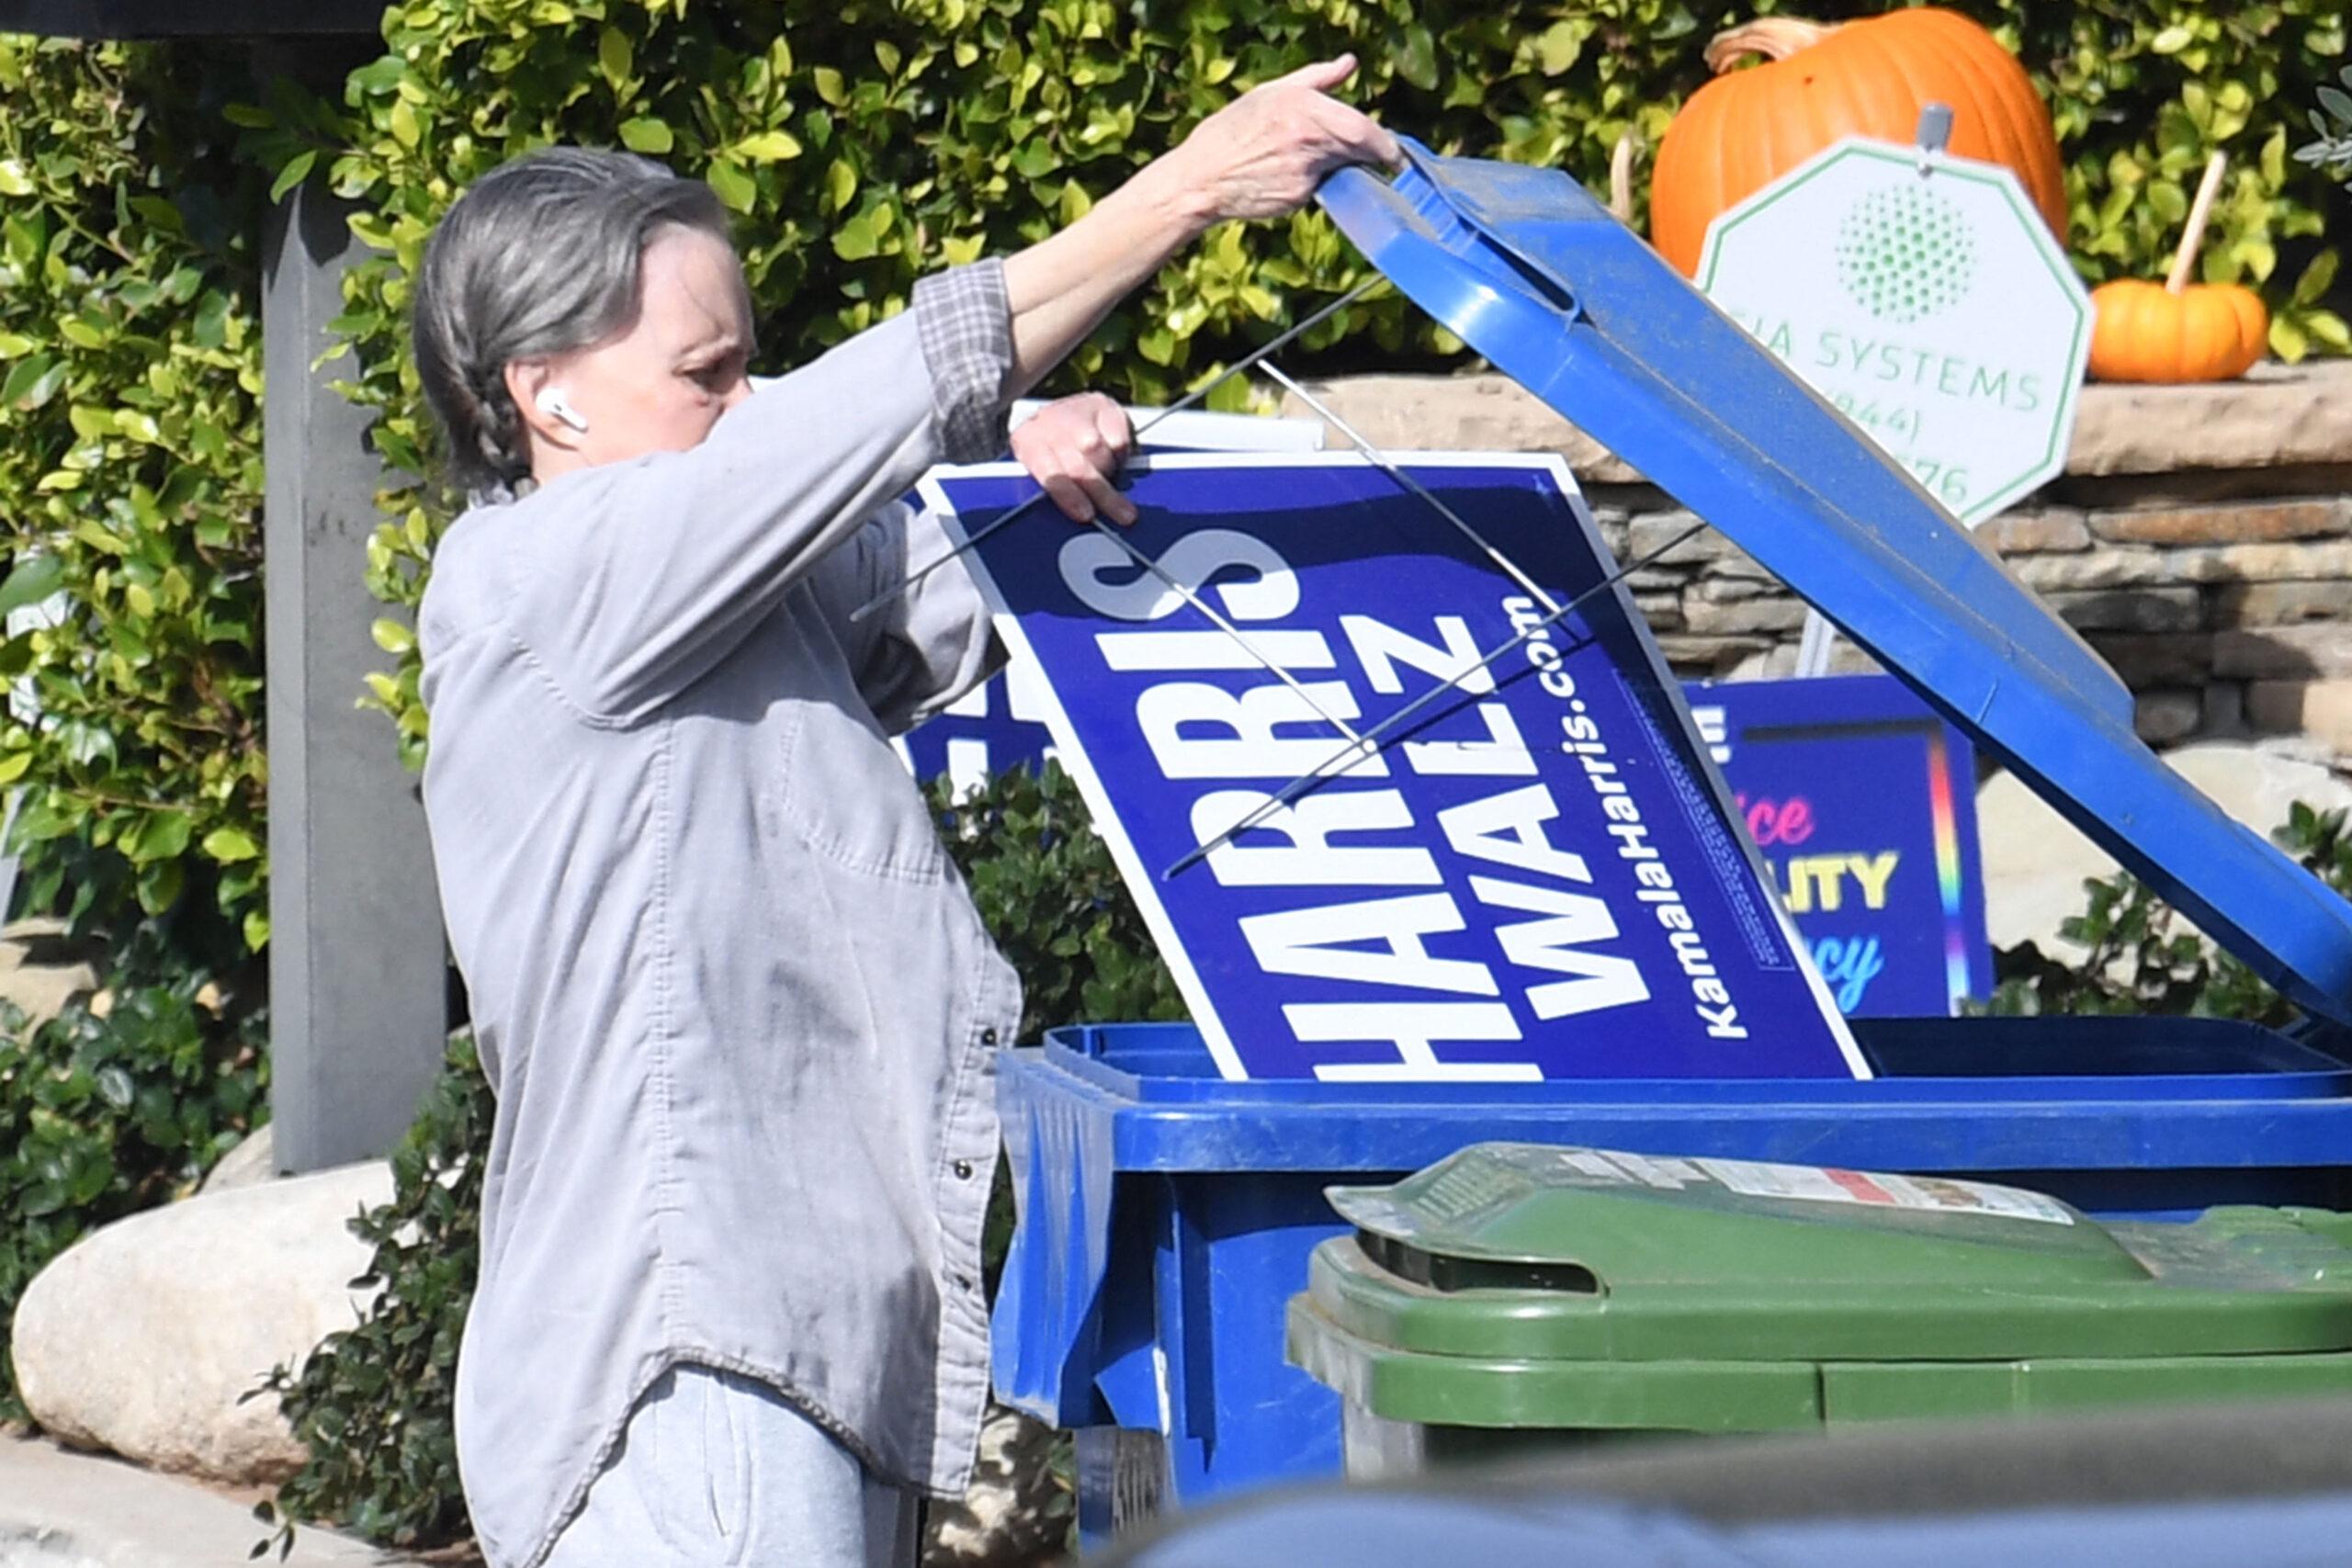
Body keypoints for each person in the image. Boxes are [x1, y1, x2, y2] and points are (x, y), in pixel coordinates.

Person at [408, 54, 1398, 1568]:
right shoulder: (548, 581)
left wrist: (1025, 467)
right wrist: (1191, 186)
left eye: (748, 366)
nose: (748, 405)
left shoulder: (713, 587)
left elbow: (909, 570)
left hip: (791, 1349)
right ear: (545, 396)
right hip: (693, 1365)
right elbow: (879, 401)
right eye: (708, 374)